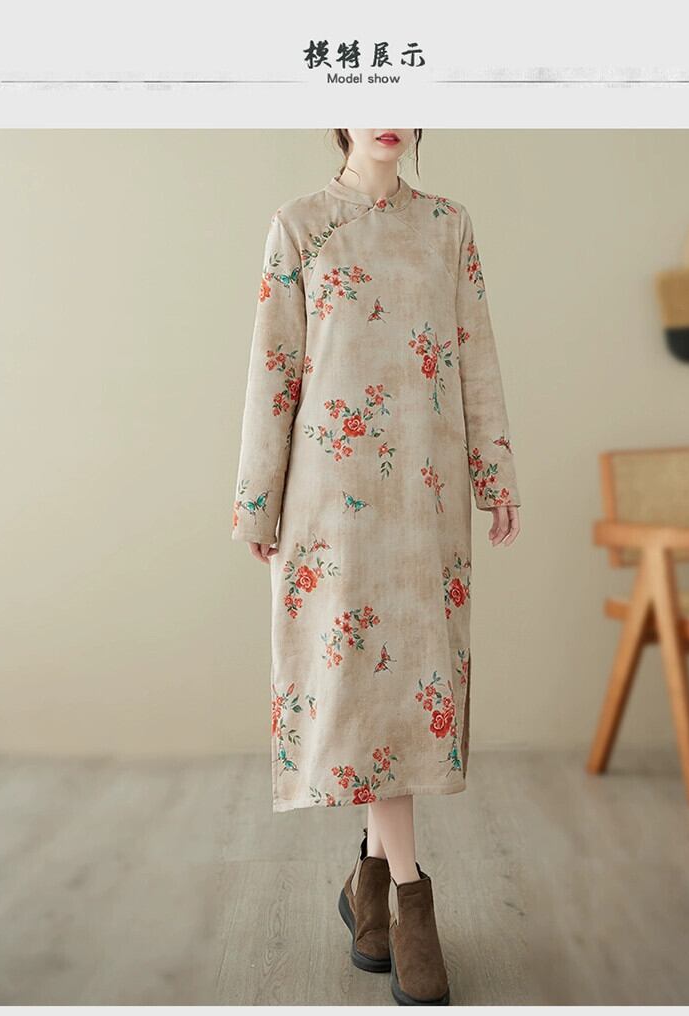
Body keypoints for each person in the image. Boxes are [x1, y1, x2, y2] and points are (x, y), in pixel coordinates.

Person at [231, 128, 521, 1006]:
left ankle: (369, 886)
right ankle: (409, 897)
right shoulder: (300, 225)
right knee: (362, 688)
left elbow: (475, 353)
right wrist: (257, 500)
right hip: (332, 504)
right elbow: (274, 368)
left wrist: (495, 473)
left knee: (403, 693)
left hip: (424, 498)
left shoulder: (448, 226)